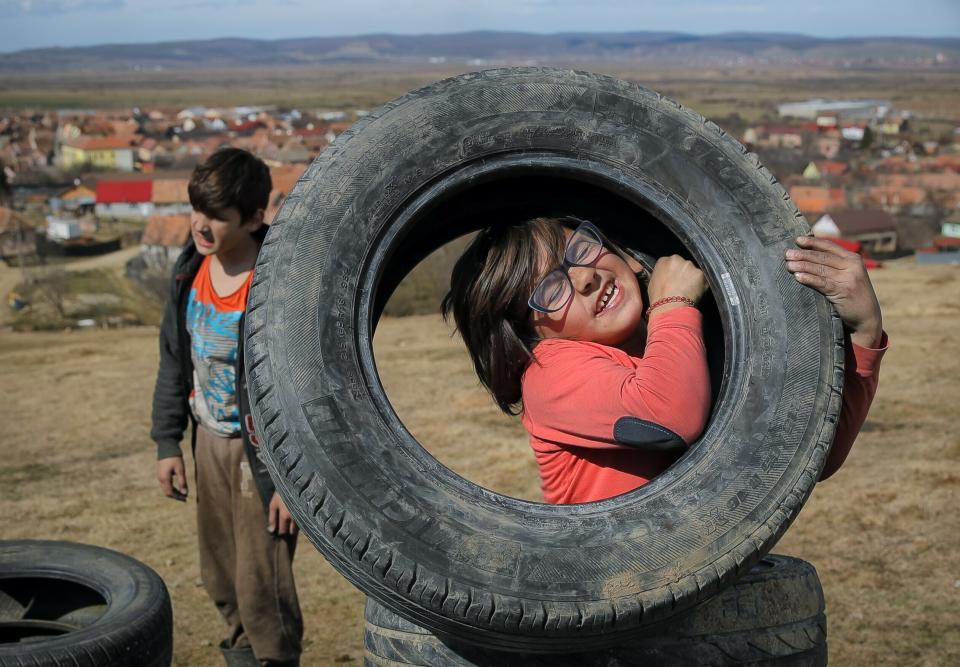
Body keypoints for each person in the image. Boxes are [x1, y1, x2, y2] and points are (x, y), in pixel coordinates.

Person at [442, 216, 888, 504]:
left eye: (577, 249)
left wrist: (865, 331)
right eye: (550, 290)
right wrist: (673, 301)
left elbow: (805, 456)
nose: (584, 277)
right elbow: (669, 416)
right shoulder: (549, 372)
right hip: (614, 589)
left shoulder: (678, 339)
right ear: (526, 333)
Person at [151, 148, 303, 666]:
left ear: (255, 218)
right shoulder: (188, 269)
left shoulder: (278, 286)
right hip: (207, 442)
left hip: (260, 459)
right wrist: (166, 442)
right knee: (220, 579)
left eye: (217, 214)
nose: (201, 224)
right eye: (197, 208)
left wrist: (288, 478)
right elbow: (175, 358)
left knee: (263, 591)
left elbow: (298, 389)